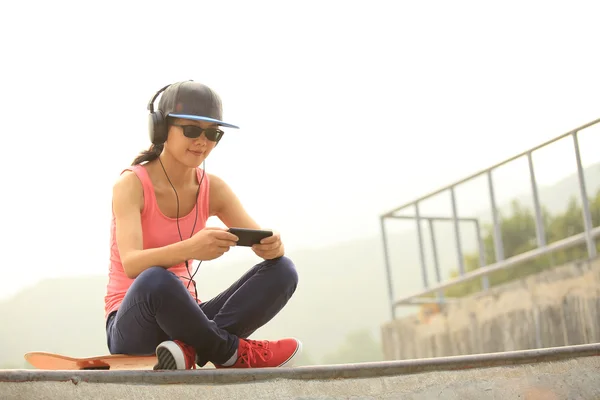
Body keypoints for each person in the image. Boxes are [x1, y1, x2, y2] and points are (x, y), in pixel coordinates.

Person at [103, 80, 301, 370]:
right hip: (133, 322)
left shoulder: (214, 189)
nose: (203, 142)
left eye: (212, 134)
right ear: (160, 129)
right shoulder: (131, 185)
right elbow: (132, 264)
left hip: (187, 322)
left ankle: (189, 351)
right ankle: (229, 351)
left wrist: (273, 246)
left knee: (284, 271)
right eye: (192, 130)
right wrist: (193, 247)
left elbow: (262, 244)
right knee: (156, 279)